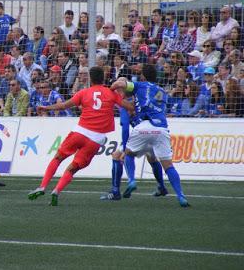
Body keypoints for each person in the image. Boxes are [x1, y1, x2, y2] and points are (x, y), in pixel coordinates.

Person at [28, 66, 133, 206]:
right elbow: (129, 107)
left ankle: (42, 186)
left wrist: (45, 108)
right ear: (103, 78)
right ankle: (56, 191)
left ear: (90, 78)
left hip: (80, 132)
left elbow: (63, 106)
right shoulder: (110, 93)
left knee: (58, 158)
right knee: (73, 168)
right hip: (96, 139)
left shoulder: (84, 92)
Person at [110, 68, 190, 207]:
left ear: (143, 77)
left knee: (127, 154)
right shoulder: (163, 92)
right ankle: (180, 195)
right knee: (168, 165)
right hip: (161, 128)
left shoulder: (139, 87)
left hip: (144, 126)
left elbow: (121, 84)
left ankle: (131, 181)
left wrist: (111, 89)